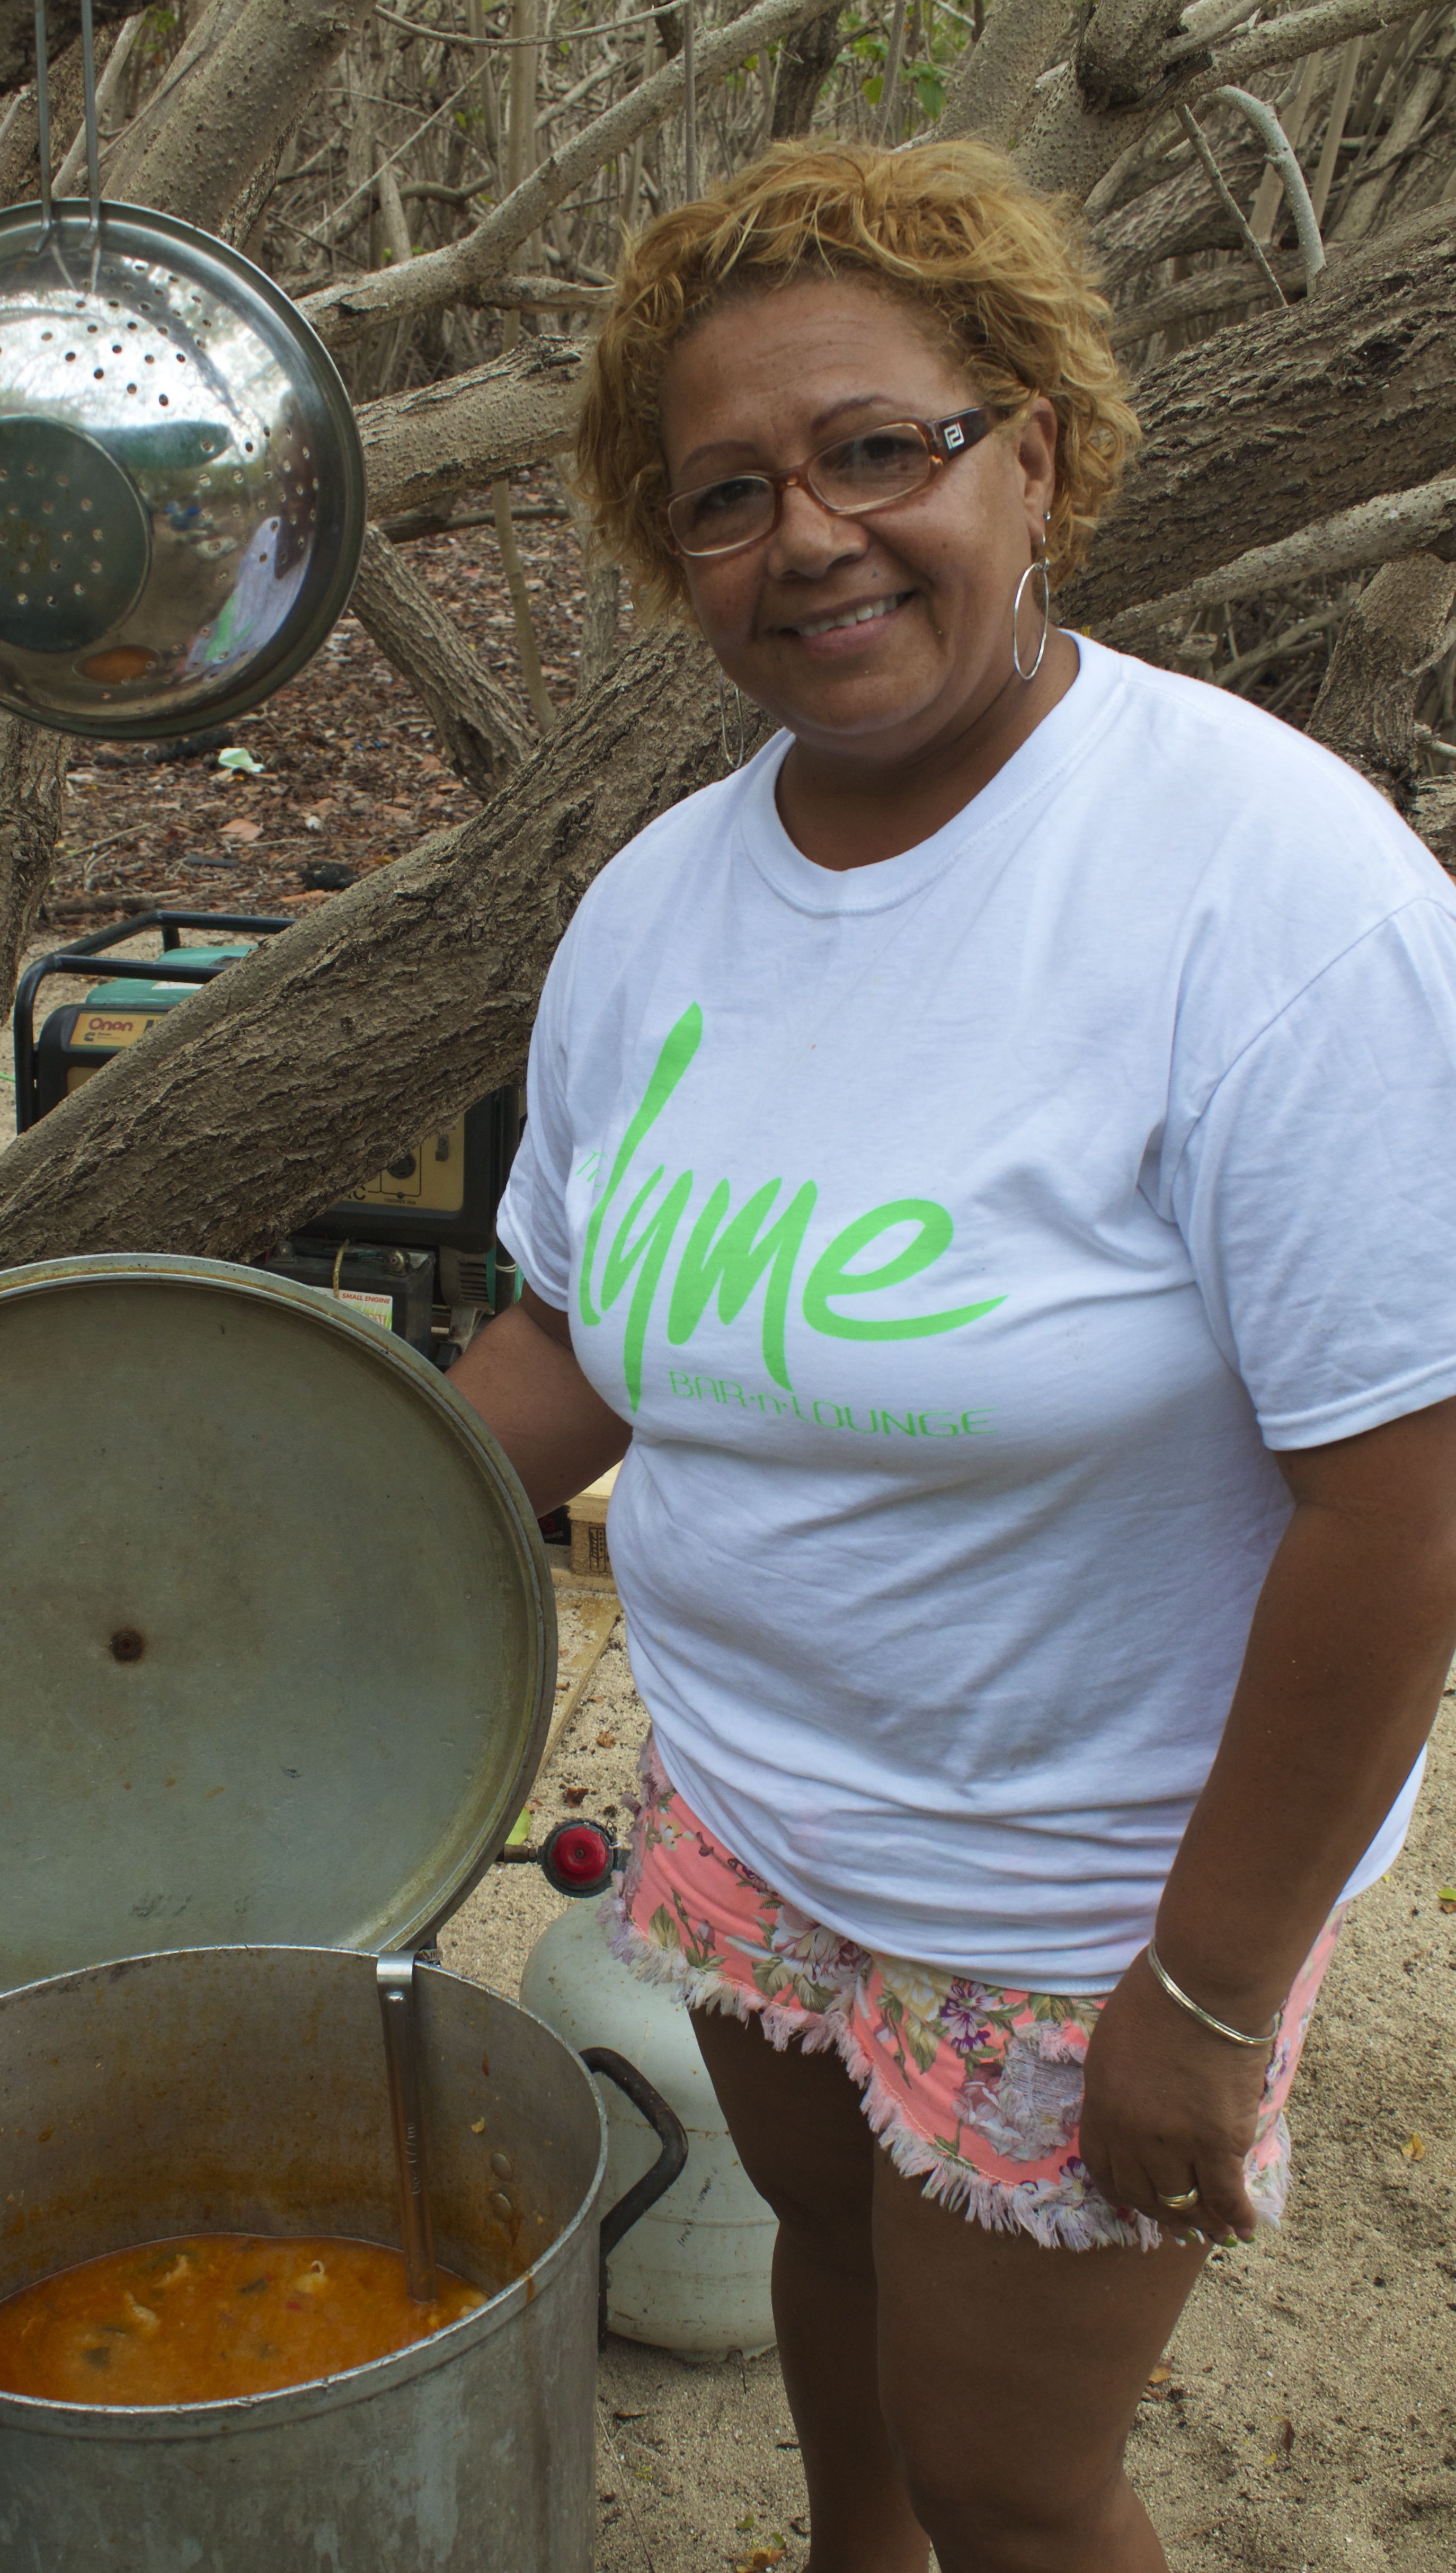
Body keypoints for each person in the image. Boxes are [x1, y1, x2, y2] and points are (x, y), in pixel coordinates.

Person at [448, 137, 1456, 2573]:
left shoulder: (1273, 892)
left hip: (1082, 1878)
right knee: (826, 2258)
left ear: (1038, 450)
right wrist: (310, 1511)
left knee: (1020, 2469)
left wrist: (1209, 1990)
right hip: (752, 1801)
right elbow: (585, 1334)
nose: (806, 536)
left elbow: (1404, 1493)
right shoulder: (660, 906)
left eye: (876, 449)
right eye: (721, 496)